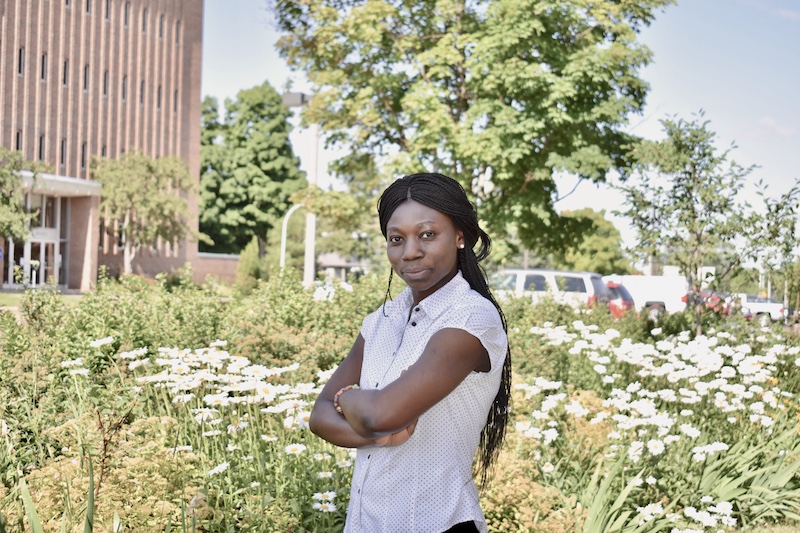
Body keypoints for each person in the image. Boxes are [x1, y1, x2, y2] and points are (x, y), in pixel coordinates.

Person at [309, 172, 512, 533]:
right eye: (396, 239)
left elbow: (380, 413)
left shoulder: (470, 319)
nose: (410, 251)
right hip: (364, 523)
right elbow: (320, 417)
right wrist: (377, 430)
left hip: (439, 523)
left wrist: (348, 398)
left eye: (428, 234)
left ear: (460, 236)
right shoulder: (380, 322)